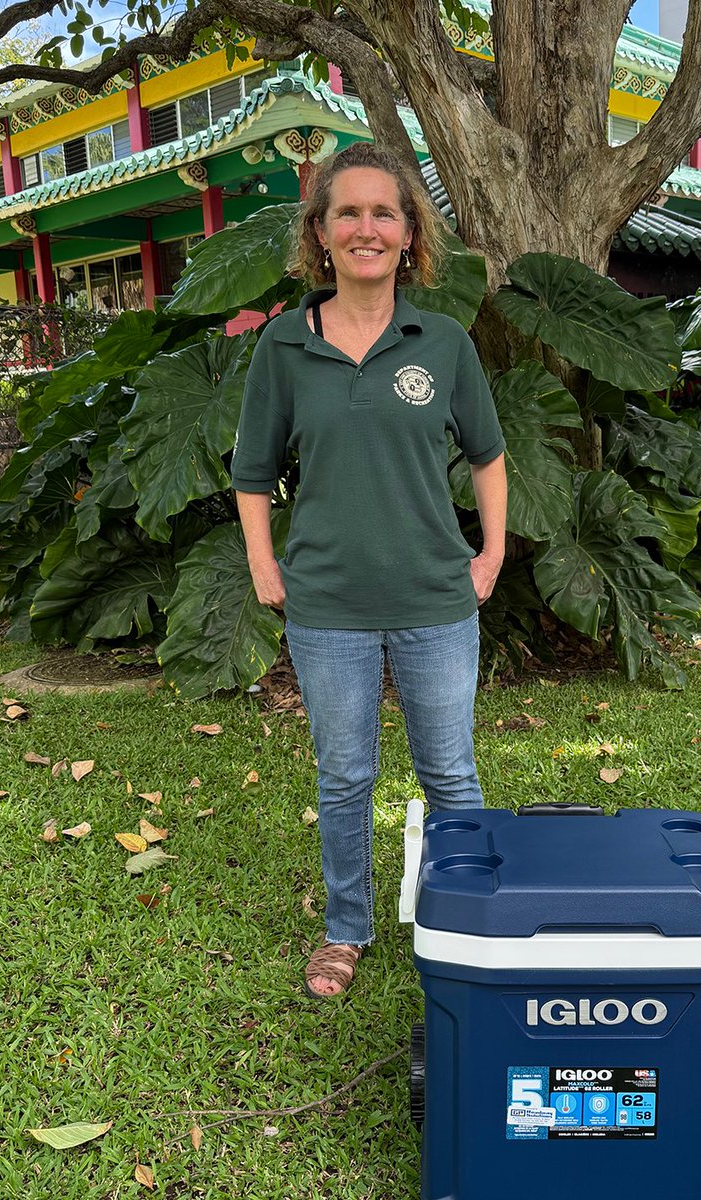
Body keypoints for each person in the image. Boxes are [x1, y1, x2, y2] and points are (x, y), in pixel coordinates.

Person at [231, 142, 507, 999]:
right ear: (319, 233)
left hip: (435, 596)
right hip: (328, 607)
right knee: (345, 776)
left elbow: (490, 458)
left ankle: (471, 916)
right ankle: (346, 930)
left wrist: (492, 555)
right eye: (346, 212)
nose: (366, 228)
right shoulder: (282, 346)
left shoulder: (446, 342)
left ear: (409, 233)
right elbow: (251, 471)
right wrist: (263, 564)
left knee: (450, 773)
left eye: (384, 212)